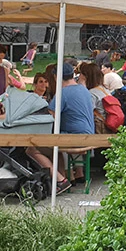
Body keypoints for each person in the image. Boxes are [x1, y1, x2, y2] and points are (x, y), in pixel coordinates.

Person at [27, 63, 93, 193]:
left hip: (75, 137)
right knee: (54, 146)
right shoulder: (83, 89)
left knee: (31, 149)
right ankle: (61, 179)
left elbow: (50, 116)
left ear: (57, 77)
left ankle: (60, 179)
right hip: (88, 134)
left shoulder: (63, 93)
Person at [77, 62, 109, 133]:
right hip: (108, 124)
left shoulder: (91, 93)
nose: (79, 76)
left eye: (81, 74)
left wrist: (81, 87)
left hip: (99, 127)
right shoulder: (104, 89)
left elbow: (85, 112)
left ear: (85, 77)